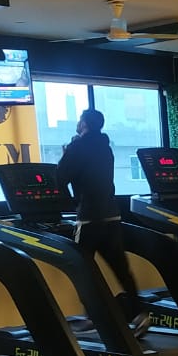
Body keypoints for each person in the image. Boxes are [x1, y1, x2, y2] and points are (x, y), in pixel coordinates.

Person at [58, 108, 149, 333]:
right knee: (121, 268)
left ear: (84, 124)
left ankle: (93, 317)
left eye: (80, 120)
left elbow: (60, 177)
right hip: (112, 215)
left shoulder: (77, 147)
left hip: (89, 218)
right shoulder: (106, 147)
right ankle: (139, 313)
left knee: (81, 268)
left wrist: (73, 204)